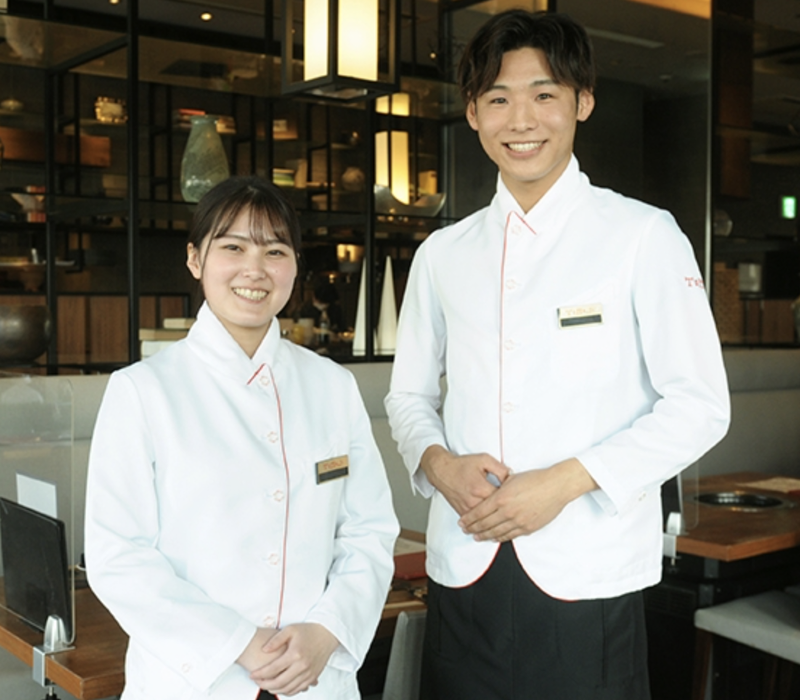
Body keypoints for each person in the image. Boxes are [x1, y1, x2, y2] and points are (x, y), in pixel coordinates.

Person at [385, 10, 730, 700]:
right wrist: (439, 464)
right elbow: (409, 396)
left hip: (586, 570)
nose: (522, 120)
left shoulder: (642, 235)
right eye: (498, 99)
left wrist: (566, 481)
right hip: (465, 562)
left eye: (544, 94)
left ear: (583, 102)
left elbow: (701, 406)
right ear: (473, 114)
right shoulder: (443, 253)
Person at [84, 175, 399, 700]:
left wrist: (328, 632)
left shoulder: (332, 386)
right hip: (194, 682)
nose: (255, 269)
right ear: (195, 259)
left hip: (313, 679)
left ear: (295, 266)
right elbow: (119, 556)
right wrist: (239, 643)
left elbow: (369, 531)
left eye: (275, 251)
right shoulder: (143, 390)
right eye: (232, 247)